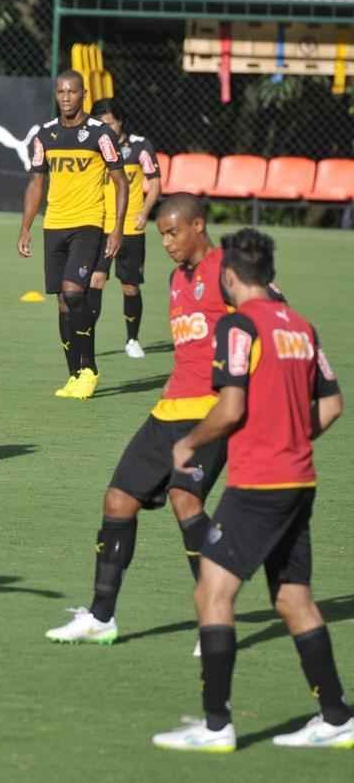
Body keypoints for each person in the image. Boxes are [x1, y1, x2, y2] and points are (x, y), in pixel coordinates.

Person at [153, 228, 352, 752]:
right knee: (293, 599)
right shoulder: (302, 327)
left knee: (212, 592)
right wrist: (290, 436)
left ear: (231, 276)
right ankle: (336, 717)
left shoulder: (240, 327)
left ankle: (216, 725)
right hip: (299, 481)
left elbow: (232, 407)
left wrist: (190, 442)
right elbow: (331, 406)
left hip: (258, 484)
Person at [45, 195, 238, 650]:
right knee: (118, 500)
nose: (167, 243)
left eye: (174, 233)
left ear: (198, 225)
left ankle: (215, 618)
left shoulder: (230, 270)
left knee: (184, 502)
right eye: (162, 235)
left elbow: (271, 317)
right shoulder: (176, 279)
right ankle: (101, 617)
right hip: (167, 410)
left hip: (209, 414)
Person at [17, 71, 127, 400]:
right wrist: (26, 227)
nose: (66, 97)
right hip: (55, 225)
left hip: (88, 224)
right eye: (61, 92)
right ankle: (74, 375)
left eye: (72, 92)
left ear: (84, 94)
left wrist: (117, 227)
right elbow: (36, 183)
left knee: (74, 292)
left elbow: (121, 181)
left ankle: (90, 367)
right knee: (63, 303)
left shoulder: (101, 134)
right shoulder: (44, 136)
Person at [86, 99, 161, 359]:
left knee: (129, 286)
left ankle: (132, 339)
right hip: (100, 226)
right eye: (101, 124)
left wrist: (145, 212)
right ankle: (88, 338)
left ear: (120, 122)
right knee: (96, 281)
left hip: (130, 228)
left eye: (110, 123)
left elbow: (154, 182)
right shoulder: (94, 148)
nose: (105, 128)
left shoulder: (140, 147)